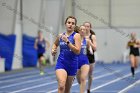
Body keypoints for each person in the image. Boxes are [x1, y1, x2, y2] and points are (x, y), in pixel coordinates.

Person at [51, 16, 81, 93]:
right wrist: (53, 50)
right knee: (61, 86)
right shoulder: (60, 36)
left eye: (73, 23)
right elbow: (55, 44)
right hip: (61, 63)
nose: (70, 25)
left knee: (67, 90)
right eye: (69, 23)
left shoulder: (76, 36)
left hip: (72, 65)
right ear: (65, 24)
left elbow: (77, 51)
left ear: (74, 26)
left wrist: (68, 42)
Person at [76, 25, 94, 93]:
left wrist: (90, 49)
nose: (82, 30)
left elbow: (91, 51)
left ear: (86, 31)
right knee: (79, 80)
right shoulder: (75, 40)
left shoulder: (87, 41)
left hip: (85, 61)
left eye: (84, 29)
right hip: (76, 61)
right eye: (81, 29)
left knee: (83, 78)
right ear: (79, 31)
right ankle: (82, 89)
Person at [83, 22, 97, 93]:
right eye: (85, 26)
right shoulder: (80, 35)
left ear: (90, 27)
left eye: (88, 26)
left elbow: (95, 48)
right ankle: (83, 90)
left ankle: (88, 89)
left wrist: (89, 42)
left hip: (90, 57)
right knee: (83, 76)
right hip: (82, 57)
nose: (86, 28)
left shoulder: (93, 36)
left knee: (90, 75)